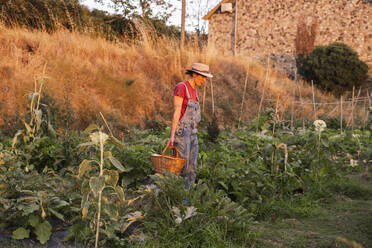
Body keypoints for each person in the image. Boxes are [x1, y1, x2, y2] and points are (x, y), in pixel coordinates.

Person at [165, 63, 213, 190]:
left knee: (192, 167)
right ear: (194, 74)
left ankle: (187, 198)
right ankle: (176, 197)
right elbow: (177, 111)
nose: (204, 80)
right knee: (181, 167)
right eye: (202, 77)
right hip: (182, 133)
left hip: (193, 132)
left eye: (205, 78)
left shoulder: (196, 92)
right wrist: (172, 136)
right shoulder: (181, 87)